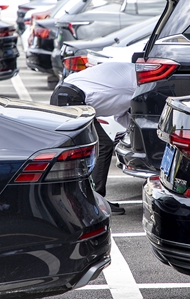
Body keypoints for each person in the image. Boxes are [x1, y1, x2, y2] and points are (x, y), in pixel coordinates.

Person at [49, 61, 136, 215]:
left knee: (81, 152)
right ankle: (94, 200)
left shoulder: (129, 75)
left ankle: (86, 198)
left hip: (68, 95)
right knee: (101, 146)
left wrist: (135, 130)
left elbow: (121, 116)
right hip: (72, 99)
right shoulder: (136, 81)